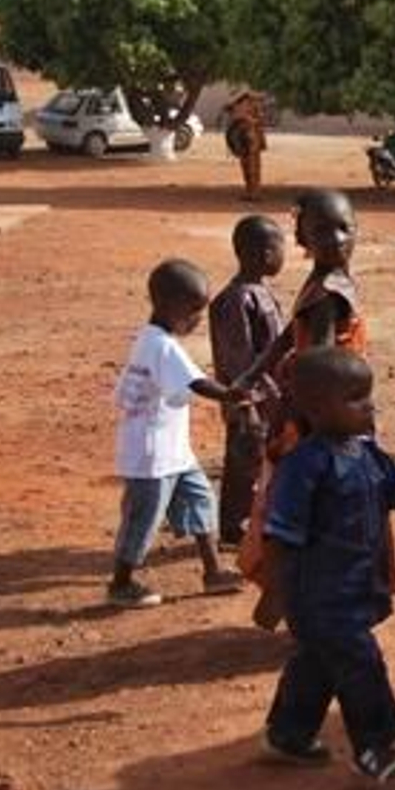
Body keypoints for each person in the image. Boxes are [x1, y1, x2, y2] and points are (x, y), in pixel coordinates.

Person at [258, 346, 395, 783]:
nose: (369, 406)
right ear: (318, 409)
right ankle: (374, 747)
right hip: (317, 593)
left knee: (318, 662)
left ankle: (288, 733)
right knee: (360, 662)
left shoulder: (367, 453)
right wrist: (275, 594)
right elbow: (280, 535)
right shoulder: (305, 466)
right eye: (356, 399)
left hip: (355, 585)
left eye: (368, 396)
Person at [236, 189, 372, 627]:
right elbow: (319, 363)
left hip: (317, 412)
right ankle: (292, 596)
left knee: (295, 508)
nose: (334, 239)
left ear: (357, 231)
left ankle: (287, 592)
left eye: (343, 228)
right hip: (326, 420)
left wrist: (254, 373)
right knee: (328, 514)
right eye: (320, 231)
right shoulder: (330, 292)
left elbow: (284, 339)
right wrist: (305, 418)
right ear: (302, 238)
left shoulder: (320, 283)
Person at [108, 259, 247, 608]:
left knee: (201, 500)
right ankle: (120, 582)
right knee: (143, 518)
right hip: (151, 456)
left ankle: (213, 571)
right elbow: (196, 382)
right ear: (169, 306)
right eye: (194, 311)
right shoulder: (161, 346)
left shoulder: (156, 338)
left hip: (174, 450)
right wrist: (231, 394)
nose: (198, 320)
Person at [208, 215, 287, 546]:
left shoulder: (260, 292)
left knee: (262, 459)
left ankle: (253, 518)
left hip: (268, 398)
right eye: (279, 248)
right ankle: (233, 527)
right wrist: (248, 401)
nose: (283, 255)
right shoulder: (237, 299)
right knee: (244, 463)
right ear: (264, 253)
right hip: (248, 402)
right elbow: (237, 356)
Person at [224, 90, 270, 202]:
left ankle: (255, 193)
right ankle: (250, 192)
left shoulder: (254, 107)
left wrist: (250, 120)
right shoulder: (240, 106)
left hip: (252, 142)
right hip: (244, 142)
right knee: (247, 169)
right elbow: (232, 113)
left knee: (253, 169)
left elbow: (260, 121)